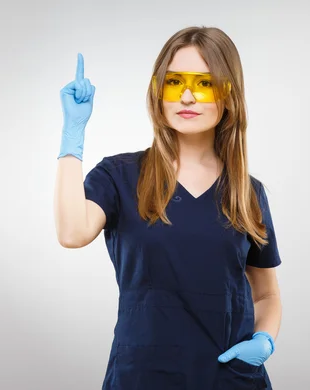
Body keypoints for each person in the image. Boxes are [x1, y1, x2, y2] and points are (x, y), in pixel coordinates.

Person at [54, 25, 282, 390]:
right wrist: (72, 137)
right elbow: (72, 232)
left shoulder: (247, 193)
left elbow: (267, 294)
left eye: (204, 84)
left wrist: (264, 340)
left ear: (228, 95)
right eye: (174, 82)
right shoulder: (119, 176)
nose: (187, 96)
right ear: (158, 92)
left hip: (229, 379)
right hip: (142, 376)